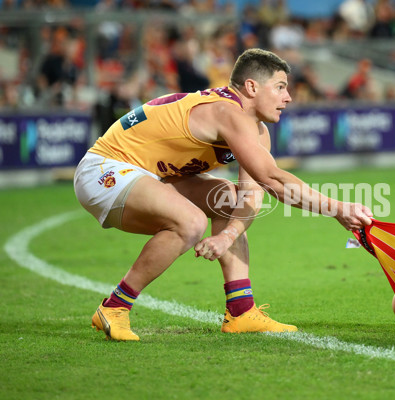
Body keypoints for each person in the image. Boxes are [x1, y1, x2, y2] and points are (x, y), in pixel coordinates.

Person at [74, 48, 373, 341]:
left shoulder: (255, 129)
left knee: (227, 199)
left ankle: (241, 311)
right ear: (252, 87)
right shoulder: (225, 111)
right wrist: (337, 208)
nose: (288, 97)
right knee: (190, 223)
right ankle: (115, 306)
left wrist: (225, 237)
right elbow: (273, 181)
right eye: (280, 87)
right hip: (105, 170)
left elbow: (252, 196)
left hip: (150, 174)